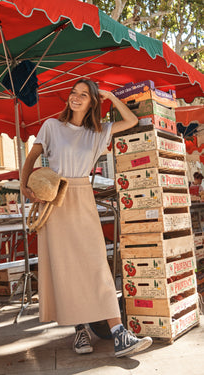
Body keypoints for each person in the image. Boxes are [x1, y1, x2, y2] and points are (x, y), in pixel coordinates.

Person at [20, 79, 153, 357]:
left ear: (92, 102)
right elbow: (31, 157)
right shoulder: (52, 127)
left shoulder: (99, 131)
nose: (76, 98)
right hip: (54, 198)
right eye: (73, 93)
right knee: (66, 267)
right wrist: (25, 186)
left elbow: (130, 120)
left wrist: (110, 96)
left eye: (83, 95)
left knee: (95, 264)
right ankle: (80, 331)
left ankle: (119, 334)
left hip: (82, 196)